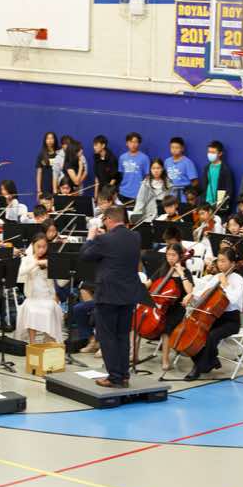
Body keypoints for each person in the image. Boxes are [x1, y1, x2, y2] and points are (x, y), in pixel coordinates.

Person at [80, 206, 143, 388]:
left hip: (108, 295)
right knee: (122, 335)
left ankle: (114, 377)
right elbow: (116, 248)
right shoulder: (135, 237)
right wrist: (103, 238)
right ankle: (124, 375)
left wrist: (91, 237)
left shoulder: (104, 239)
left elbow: (85, 255)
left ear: (108, 219)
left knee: (107, 337)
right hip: (128, 294)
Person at [182, 247, 243, 381]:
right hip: (214, 317)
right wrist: (191, 295)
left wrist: (225, 284)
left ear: (233, 263)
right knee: (197, 332)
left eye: (223, 261)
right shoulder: (216, 277)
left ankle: (198, 368)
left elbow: (234, 299)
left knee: (211, 335)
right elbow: (204, 292)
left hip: (231, 320)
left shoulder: (238, 279)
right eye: (219, 261)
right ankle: (211, 360)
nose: (220, 264)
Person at [148, 244, 194, 371]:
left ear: (180, 256)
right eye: (168, 255)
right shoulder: (163, 269)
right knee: (137, 320)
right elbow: (149, 283)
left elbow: (190, 290)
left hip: (177, 308)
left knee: (166, 327)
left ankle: (165, 360)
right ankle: (132, 354)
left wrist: (181, 273)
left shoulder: (185, 272)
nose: (170, 258)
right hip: (161, 306)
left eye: (173, 255)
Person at [15, 234, 64, 345]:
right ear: (33, 245)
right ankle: (32, 343)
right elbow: (20, 273)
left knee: (50, 309)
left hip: (48, 297)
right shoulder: (27, 259)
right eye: (38, 246)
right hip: (32, 297)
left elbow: (62, 282)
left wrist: (51, 265)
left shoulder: (50, 260)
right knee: (31, 310)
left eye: (44, 247)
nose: (41, 250)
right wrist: (36, 263)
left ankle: (48, 341)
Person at [134, 159, 172, 223]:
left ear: (162, 169)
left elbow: (169, 201)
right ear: (150, 170)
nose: (156, 171)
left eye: (158, 168)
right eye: (153, 168)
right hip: (148, 216)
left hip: (162, 216)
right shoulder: (145, 183)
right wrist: (136, 216)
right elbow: (140, 201)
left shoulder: (168, 183)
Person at [203, 140, 234, 217]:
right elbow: (205, 185)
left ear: (220, 153)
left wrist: (222, 204)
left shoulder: (225, 169)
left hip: (219, 206)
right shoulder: (207, 168)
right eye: (209, 152)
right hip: (207, 204)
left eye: (213, 152)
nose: (210, 154)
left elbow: (229, 190)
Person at [117, 132, 150, 203]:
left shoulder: (145, 158)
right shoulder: (122, 157)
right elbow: (121, 174)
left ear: (139, 143)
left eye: (136, 142)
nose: (133, 144)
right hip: (123, 192)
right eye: (131, 142)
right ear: (127, 143)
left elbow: (147, 176)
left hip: (138, 193)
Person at [92, 135, 120, 199]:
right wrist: (95, 194)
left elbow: (114, 179)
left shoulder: (112, 159)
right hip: (101, 190)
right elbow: (97, 177)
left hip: (110, 192)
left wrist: (106, 193)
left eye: (96, 145)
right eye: (94, 145)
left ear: (103, 145)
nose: (94, 147)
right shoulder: (96, 157)